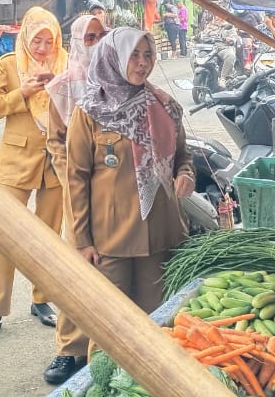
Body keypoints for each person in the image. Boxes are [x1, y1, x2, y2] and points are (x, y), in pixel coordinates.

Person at [66, 28, 195, 337]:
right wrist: (82, 240)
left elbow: (182, 155)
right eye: (134, 55)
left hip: (160, 233)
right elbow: (76, 178)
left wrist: (185, 174)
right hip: (112, 238)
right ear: (114, 58)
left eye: (147, 54)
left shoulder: (164, 106)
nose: (142, 63)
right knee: (110, 328)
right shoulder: (90, 112)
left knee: (159, 324)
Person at [0, 7, 67, 340]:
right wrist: (23, 92)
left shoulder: (65, 63)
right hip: (16, 158)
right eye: (36, 40)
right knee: (4, 233)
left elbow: (77, 108)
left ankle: (43, 299)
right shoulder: (9, 64)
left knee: (49, 236)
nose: (42, 48)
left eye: (48, 41)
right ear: (25, 36)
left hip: (55, 161)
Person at [40, 15, 107, 384]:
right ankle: (70, 349)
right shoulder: (64, 86)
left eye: (102, 36)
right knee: (77, 265)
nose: (96, 42)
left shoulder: (120, 78)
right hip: (78, 190)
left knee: (112, 262)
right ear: (78, 40)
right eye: (90, 36)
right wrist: (76, 180)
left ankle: (109, 344)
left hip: (117, 191)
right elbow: (56, 143)